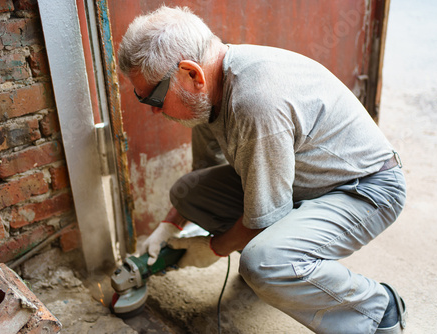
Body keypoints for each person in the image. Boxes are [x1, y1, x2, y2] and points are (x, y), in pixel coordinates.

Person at [118, 5, 407, 334]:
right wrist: (169, 226)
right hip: (304, 181)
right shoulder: (207, 93)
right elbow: (203, 174)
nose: (154, 112)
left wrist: (213, 248)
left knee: (262, 263)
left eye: (153, 99)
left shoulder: (254, 102)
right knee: (189, 193)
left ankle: (377, 308)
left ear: (191, 74)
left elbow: (264, 215)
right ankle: (281, 267)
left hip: (364, 188)